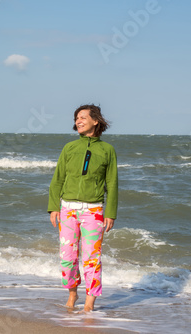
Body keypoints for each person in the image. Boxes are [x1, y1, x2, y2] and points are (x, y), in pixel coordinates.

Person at [48, 104, 118, 312]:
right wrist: (53, 207)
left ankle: (90, 301)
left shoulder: (107, 150)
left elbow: (112, 183)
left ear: (95, 121)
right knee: (67, 258)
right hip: (67, 209)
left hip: (93, 211)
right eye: (76, 118)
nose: (78, 121)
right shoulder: (69, 148)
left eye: (82, 117)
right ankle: (72, 293)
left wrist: (111, 212)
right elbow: (58, 178)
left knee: (91, 259)